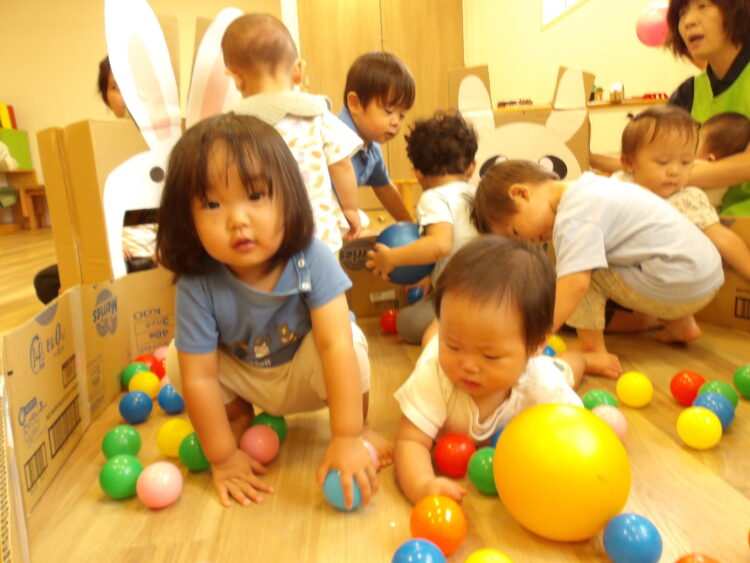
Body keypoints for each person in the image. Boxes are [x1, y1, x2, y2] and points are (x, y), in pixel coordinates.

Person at [158, 113, 385, 509]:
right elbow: (200, 378)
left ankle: (359, 426)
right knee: (180, 359)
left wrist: (347, 436)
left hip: (304, 377)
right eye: (212, 204)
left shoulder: (311, 257)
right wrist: (222, 458)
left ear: (288, 197)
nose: (238, 220)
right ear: (187, 220)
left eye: (256, 195)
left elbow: (334, 347)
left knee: (352, 343)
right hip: (248, 376)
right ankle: (237, 419)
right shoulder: (198, 282)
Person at [472, 160, 724, 378]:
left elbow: (575, 284)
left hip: (680, 280)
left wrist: (537, 336)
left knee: (579, 270)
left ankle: (592, 348)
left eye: (516, 232)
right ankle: (681, 324)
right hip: (705, 275)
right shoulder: (592, 186)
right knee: (607, 256)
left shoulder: (573, 216)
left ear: (520, 194)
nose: (528, 242)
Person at [393, 236, 585, 505]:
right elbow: (410, 441)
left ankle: (585, 359)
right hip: (436, 350)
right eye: (454, 346)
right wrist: (421, 484)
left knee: (565, 370)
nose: (469, 366)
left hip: (541, 367)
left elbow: (579, 433)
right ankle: (437, 335)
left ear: (536, 344)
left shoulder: (542, 383)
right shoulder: (435, 374)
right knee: (432, 344)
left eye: (490, 356)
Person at [221, 13, 362, 254]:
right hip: (320, 237)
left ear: (237, 79)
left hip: (265, 241)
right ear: (297, 70)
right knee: (329, 278)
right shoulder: (317, 114)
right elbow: (341, 164)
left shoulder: (231, 127)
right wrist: (350, 208)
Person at [33, 55, 153, 304]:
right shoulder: (99, 147)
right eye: (116, 87)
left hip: (155, 258)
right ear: (107, 98)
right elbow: (89, 217)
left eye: (132, 83)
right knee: (46, 281)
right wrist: (107, 244)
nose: (127, 94)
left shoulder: (163, 141)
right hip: (118, 258)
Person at [366, 110, 479, 345]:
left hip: (461, 299)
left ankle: (464, 331)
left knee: (406, 323)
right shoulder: (478, 193)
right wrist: (431, 275)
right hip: (493, 292)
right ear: (471, 168)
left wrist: (391, 258)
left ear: (418, 174)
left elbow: (440, 245)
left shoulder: (433, 198)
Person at [617, 105, 750, 283]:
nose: (675, 171)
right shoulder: (619, 184)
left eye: (686, 162)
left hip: (669, 279)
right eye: (663, 162)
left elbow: (723, 239)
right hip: (626, 269)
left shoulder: (687, 199)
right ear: (628, 163)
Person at [666, 0, 750, 215]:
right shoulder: (688, 92)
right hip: (703, 215)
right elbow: (654, 154)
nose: (688, 22)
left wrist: (666, 178)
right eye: (682, 13)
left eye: (703, 6)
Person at [338, 51, 416, 223]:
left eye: (402, 115)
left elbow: (386, 189)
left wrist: (411, 226)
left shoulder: (371, 149)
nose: (396, 122)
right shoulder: (335, 140)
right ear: (355, 104)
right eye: (389, 111)